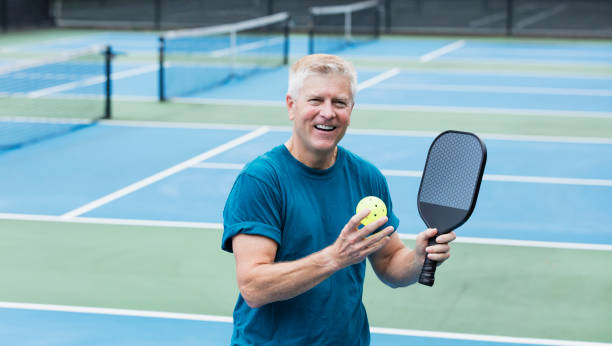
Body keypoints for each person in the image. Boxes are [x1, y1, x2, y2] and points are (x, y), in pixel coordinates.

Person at [221, 54, 456, 345]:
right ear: (291, 106)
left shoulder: (367, 177)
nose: (328, 113)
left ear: (351, 109)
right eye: (316, 100)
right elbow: (254, 287)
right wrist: (334, 258)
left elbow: (390, 263)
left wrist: (418, 258)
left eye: (339, 103)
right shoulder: (261, 181)